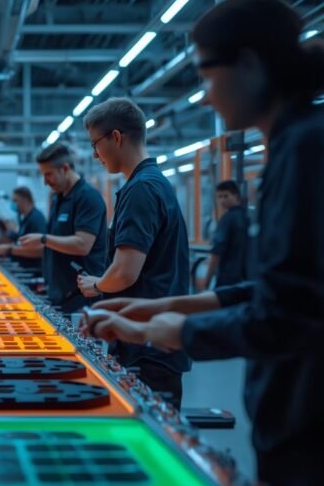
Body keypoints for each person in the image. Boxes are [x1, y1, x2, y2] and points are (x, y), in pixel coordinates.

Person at [83, 0, 324, 486]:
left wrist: (167, 330)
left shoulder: (309, 152)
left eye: (206, 74)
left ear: (249, 65)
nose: (204, 96)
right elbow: (274, 288)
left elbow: (292, 312)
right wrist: (156, 311)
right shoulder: (299, 144)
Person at [74, 97, 191, 409]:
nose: (94, 155)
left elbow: (126, 272)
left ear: (115, 137)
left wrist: (96, 284)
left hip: (147, 349)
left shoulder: (141, 189)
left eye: (94, 144)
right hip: (153, 341)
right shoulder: (152, 183)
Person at [16, 143, 108, 313]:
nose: (45, 182)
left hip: (81, 299)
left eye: (48, 174)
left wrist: (43, 239)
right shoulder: (59, 199)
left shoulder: (88, 197)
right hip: (60, 295)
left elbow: (82, 244)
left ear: (65, 168)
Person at [197, 180, 248, 289]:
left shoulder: (227, 220)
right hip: (247, 278)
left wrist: (207, 279)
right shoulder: (248, 216)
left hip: (228, 280)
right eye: (219, 197)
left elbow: (217, 252)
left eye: (226, 196)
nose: (222, 200)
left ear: (236, 196)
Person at [0, 186, 47, 273]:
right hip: (23, 266)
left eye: (15, 201)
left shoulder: (36, 218)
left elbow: (40, 250)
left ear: (25, 200)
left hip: (33, 270)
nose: (13, 204)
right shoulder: (25, 219)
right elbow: (19, 242)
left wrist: (9, 250)